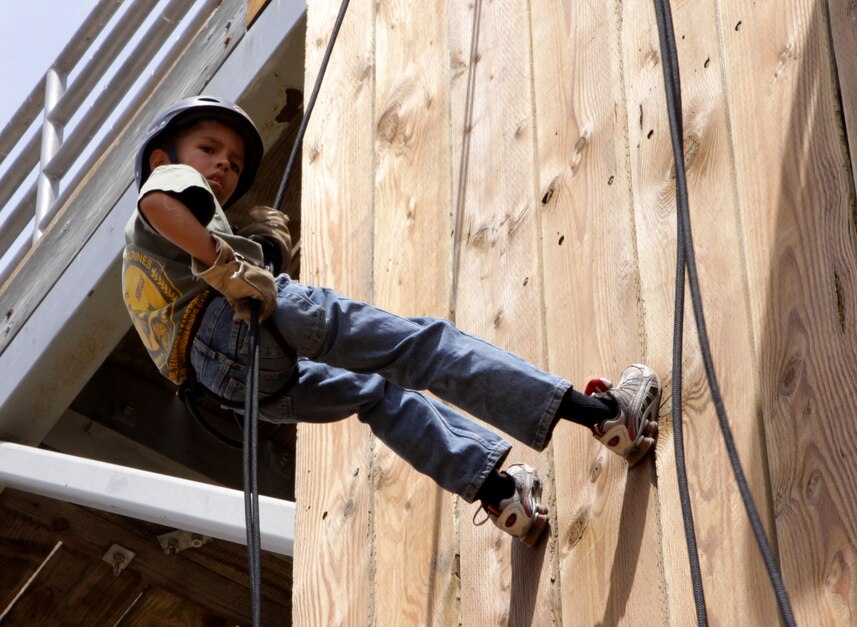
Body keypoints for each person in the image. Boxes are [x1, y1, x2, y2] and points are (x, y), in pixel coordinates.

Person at [121, 96, 661, 546]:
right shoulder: (167, 183)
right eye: (209, 150)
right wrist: (229, 263)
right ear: (163, 156)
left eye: (235, 164)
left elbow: (201, 284)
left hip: (234, 385)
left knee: (377, 395)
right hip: (243, 321)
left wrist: (248, 256)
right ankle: (605, 414)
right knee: (421, 349)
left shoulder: (152, 263)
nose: (223, 167)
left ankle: (500, 497)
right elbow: (160, 204)